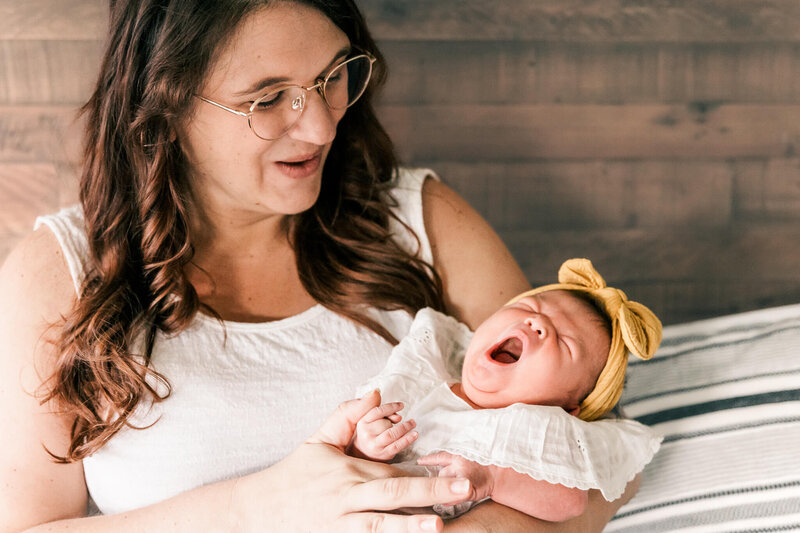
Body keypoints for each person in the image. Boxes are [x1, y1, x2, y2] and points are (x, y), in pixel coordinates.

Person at [0, 1, 640, 532]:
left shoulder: (422, 221)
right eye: (270, 97)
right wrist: (264, 506)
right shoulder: (58, 274)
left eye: (333, 77)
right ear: (166, 104)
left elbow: (598, 460)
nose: (321, 128)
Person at [350, 258, 663, 522]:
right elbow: (350, 466)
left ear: (567, 408)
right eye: (529, 305)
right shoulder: (423, 380)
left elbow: (571, 501)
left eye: (565, 343)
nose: (537, 322)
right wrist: (368, 445)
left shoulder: (534, 427)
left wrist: (493, 479)